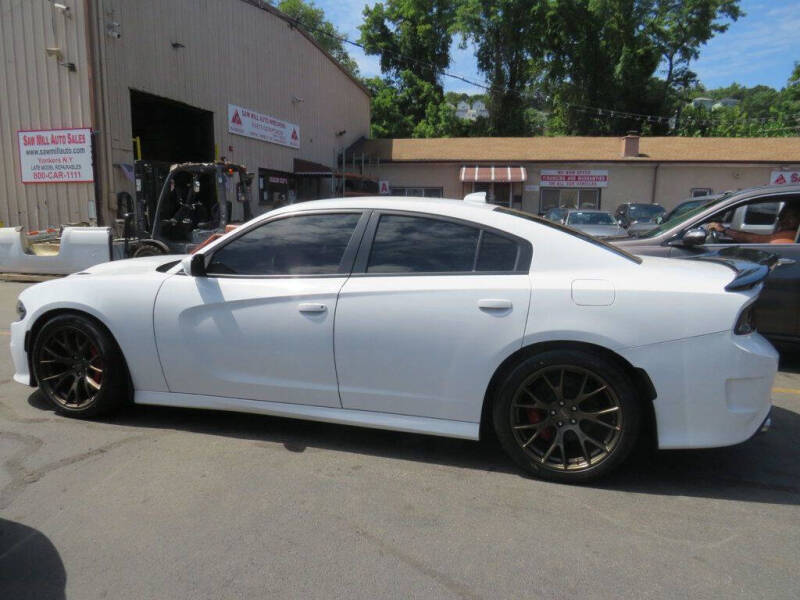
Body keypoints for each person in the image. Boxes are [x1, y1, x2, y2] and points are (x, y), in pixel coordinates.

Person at [706, 203, 800, 244]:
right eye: (782, 216)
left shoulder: (793, 234)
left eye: (790, 217)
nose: (783, 220)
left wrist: (725, 230)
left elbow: (759, 239)